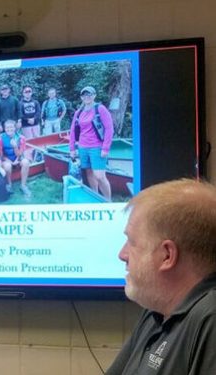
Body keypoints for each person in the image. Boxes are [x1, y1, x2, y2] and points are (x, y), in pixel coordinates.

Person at [107, 178, 216, 374]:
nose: (122, 255)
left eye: (131, 242)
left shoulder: (210, 319)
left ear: (167, 255)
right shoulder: (156, 312)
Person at [69, 86, 114, 200]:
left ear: (94, 96)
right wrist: (72, 149)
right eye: (84, 95)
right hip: (83, 147)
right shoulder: (78, 112)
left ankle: (108, 201)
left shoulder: (100, 109)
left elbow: (109, 129)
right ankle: (96, 197)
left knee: (99, 176)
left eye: (89, 94)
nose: (87, 97)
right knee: (89, 173)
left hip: (97, 147)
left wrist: (105, 148)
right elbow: (73, 130)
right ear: (81, 97)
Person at [0, 120, 31, 197]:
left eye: (11, 127)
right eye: (7, 128)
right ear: (4, 129)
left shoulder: (21, 138)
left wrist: (15, 147)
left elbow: (21, 154)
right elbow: (1, 155)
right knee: (8, 166)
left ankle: (23, 185)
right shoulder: (0, 138)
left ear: (15, 128)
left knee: (26, 162)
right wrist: (9, 161)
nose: (9, 129)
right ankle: (9, 184)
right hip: (7, 159)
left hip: (18, 158)